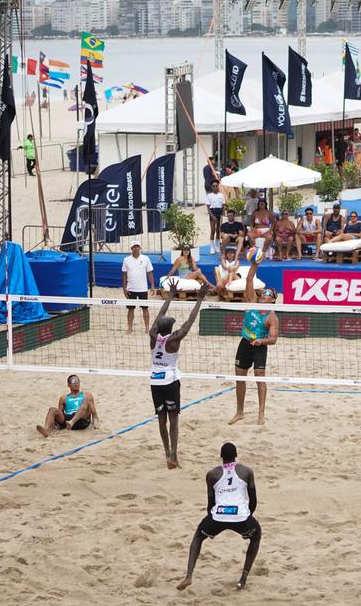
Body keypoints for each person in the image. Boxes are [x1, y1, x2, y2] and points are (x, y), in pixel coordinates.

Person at [177, 442, 261, 591]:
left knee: (198, 537)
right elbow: (253, 501)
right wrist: (246, 517)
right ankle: (243, 578)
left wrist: (212, 523)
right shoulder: (247, 471)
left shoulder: (212, 474)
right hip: (241, 516)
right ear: (236, 455)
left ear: (221, 457)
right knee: (256, 535)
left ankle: (189, 576)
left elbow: (210, 504)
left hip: (218, 516)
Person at [149, 279, 210, 468]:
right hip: (169, 381)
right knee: (173, 420)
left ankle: (166, 452)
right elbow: (190, 321)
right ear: (171, 329)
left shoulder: (152, 335)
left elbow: (160, 314)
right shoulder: (174, 339)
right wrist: (199, 299)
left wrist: (171, 296)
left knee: (161, 419)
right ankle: (173, 456)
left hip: (154, 381)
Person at [230, 253, 276, 425]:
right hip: (245, 343)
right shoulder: (252, 301)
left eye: (268, 294)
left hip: (259, 347)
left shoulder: (272, 316)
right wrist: (254, 264)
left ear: (272, 301)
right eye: (263, 293)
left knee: (260, 378)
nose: (264, 295)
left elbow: (274, 339)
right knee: (240, 377)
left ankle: (261, 414)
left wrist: (261, 342)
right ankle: (240, 412)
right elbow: (249, 280)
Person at [122, 241, 155, 333]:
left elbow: (150, 273)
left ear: (140, 248)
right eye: (134, 246)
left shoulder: (146, 258)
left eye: (137, 246)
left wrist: (152, 285)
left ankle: (147, 328)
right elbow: (124, 275)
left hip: (143, 289)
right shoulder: (126, 260)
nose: (136, 248)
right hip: (131, 288)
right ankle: (130, 328)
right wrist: (124, 288)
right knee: (130, 309)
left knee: (145, 309)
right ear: (131, 248)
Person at [206, 180, 225, 252]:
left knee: (218, 230)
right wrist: (212, 216)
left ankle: (217, 246)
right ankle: (212, 247)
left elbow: (223, 205)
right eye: (213, 186)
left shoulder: (221, 195)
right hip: (212, 212)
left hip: (219, 212)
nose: (215, 187)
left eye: (216, 186)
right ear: (211, 187)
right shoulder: (209, 195)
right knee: (213, 230)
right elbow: (208, 207)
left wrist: (223, 214)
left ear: (218, 186)